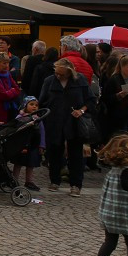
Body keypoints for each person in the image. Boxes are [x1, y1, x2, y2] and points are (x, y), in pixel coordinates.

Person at [39, 57, 93, 197]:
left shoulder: (80, 80)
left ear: (70, 72)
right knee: (54, 151)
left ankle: (76, 184)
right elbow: (42, 101)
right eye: (57, 73)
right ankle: (54, 180)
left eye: (62, 74)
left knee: (75, 154)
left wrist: (81, 110)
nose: (58, 76)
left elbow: (90, 100)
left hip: (74, 121)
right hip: (54, 120)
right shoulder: (49, 81)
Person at [100, 55, 128, 142]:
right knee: (121, 139)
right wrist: (118, 96)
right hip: (119, 114)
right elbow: (105, 98)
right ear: (122, 67)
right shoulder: (114, 80)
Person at [10, 96, 44, 192]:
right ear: (25, 105)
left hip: (33, 145)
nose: (34, 107)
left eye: (36, 105)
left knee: (31, 164)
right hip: (21, 144)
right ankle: (14, 180)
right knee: (18, 163)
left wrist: (42, 145)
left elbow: (42, 132)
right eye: (31, 104)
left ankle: (29, 181)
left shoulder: (38, 118)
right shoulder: (20, 117)